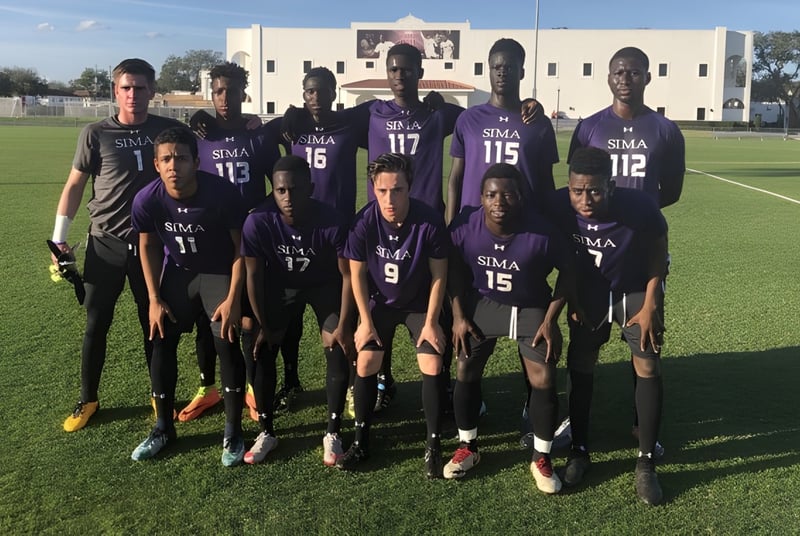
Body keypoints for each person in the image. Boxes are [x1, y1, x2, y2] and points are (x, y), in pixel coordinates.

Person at [52, 58, 184, 432]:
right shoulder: (96, 132)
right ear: (115, 91)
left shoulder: (169, 129)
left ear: (152, 91)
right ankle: (88, 398)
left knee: (154, 324)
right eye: (126, 87)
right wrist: (59, 238)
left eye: (140, 88)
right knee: (96, 324)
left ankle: (160, 398)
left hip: (152, 245)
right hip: (105, 242)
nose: (133, 95)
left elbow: (202, 151)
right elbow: (75, 185)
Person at [566, 46, 684, 453]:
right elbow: (576, 179)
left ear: (647, 78)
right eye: (619, 72)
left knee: (645, 338)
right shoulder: (590, 127)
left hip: (641, 245)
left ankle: (643, 425)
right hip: (594, 249)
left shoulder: (665, 130)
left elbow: (673, 190)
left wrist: (632, 216)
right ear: (608, 77)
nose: (625, 79)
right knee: (584, 343)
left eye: (634, 73)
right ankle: (579, 431)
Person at [548, 147, 668, 505]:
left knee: (647, 360)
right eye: (577, 191)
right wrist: (569, 298)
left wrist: (652, 304)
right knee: (581, 359)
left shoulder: (640, 206)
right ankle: (579, 450)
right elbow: (560, 257)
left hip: (634, 290)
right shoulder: (557, 205)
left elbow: (658, 252)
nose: (585, 200)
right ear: (567, 186)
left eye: (595, 191)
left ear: (611, 186)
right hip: (589, 295)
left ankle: (645, 462)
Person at [445, 163, 570, 494]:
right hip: (483, 303)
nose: (499, 202)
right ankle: (468, 447)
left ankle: (541, 457)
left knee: (543, 375)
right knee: (465, 366)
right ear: (481, 197)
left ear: (521, 198)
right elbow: (452, 266)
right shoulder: (465, 225)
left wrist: (550, 319)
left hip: (530, 306)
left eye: (508, 194)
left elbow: (570, 272)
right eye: (491, 194)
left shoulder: (541, 231)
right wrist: (458, 314)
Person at [129, 127, 247, 465]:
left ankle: (233, 430)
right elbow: (147, 245)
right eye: (166, 159)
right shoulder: (147, 199)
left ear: (196, 161)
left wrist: (234, 297)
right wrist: (153, 297)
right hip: (179, 275)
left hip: (218, 274)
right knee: (160, 336)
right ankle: (164, 426)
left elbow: (241, 247)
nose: (173, 165)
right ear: (156, 164)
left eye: (181, 158)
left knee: (226, 340)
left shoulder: (222, 193)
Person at [180, 61, 283, 423]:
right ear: (212, 93)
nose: (225, 98)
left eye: (232, 91)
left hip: (251, 240)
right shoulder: (200, 134)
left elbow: (279, 183)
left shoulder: (258, 134)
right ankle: (208, 387)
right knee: (207, 319)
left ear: (244, 93)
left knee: (249, 318)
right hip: (210, 239)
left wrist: (260, 217)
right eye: (219, 91)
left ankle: (252, 389)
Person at [338, 153, 449, 478]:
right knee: (366, 360)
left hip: (417, 305)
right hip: (379, 305)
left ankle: (433, 443)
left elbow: (439, 275)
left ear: (409, 187)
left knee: (431, 360)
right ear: (373, 188)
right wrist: (365, 322)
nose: (390, 198)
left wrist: (430, 323)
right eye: (383, 190)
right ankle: (361, 440)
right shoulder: (363, 222)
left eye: (397, 190)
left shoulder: (428, 220)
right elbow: (356, 276)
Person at [241, 155, 354, 465]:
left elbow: (347, 276)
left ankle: (332, 432)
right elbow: (253, 276)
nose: (288, 198)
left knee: (337, 345)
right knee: (260, 348)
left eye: (295, 189)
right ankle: (266, 431)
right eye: (280, 191)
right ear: (273, 191)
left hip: (324, 286)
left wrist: (344, 324)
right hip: (281, 288)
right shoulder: (258, 221)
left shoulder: (332, 219)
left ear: (310, 188)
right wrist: (264, 324)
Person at [446, 38, 558, 224]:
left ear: (521, 72)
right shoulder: (469, 119)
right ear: (489, 70)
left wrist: (550, 226)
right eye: (496, 67)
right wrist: (450, 226)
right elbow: (455, 178)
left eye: (509, 68)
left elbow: (546, 183)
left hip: (524, 226)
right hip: (474, 224)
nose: (501, 73)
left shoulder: (539, 123)